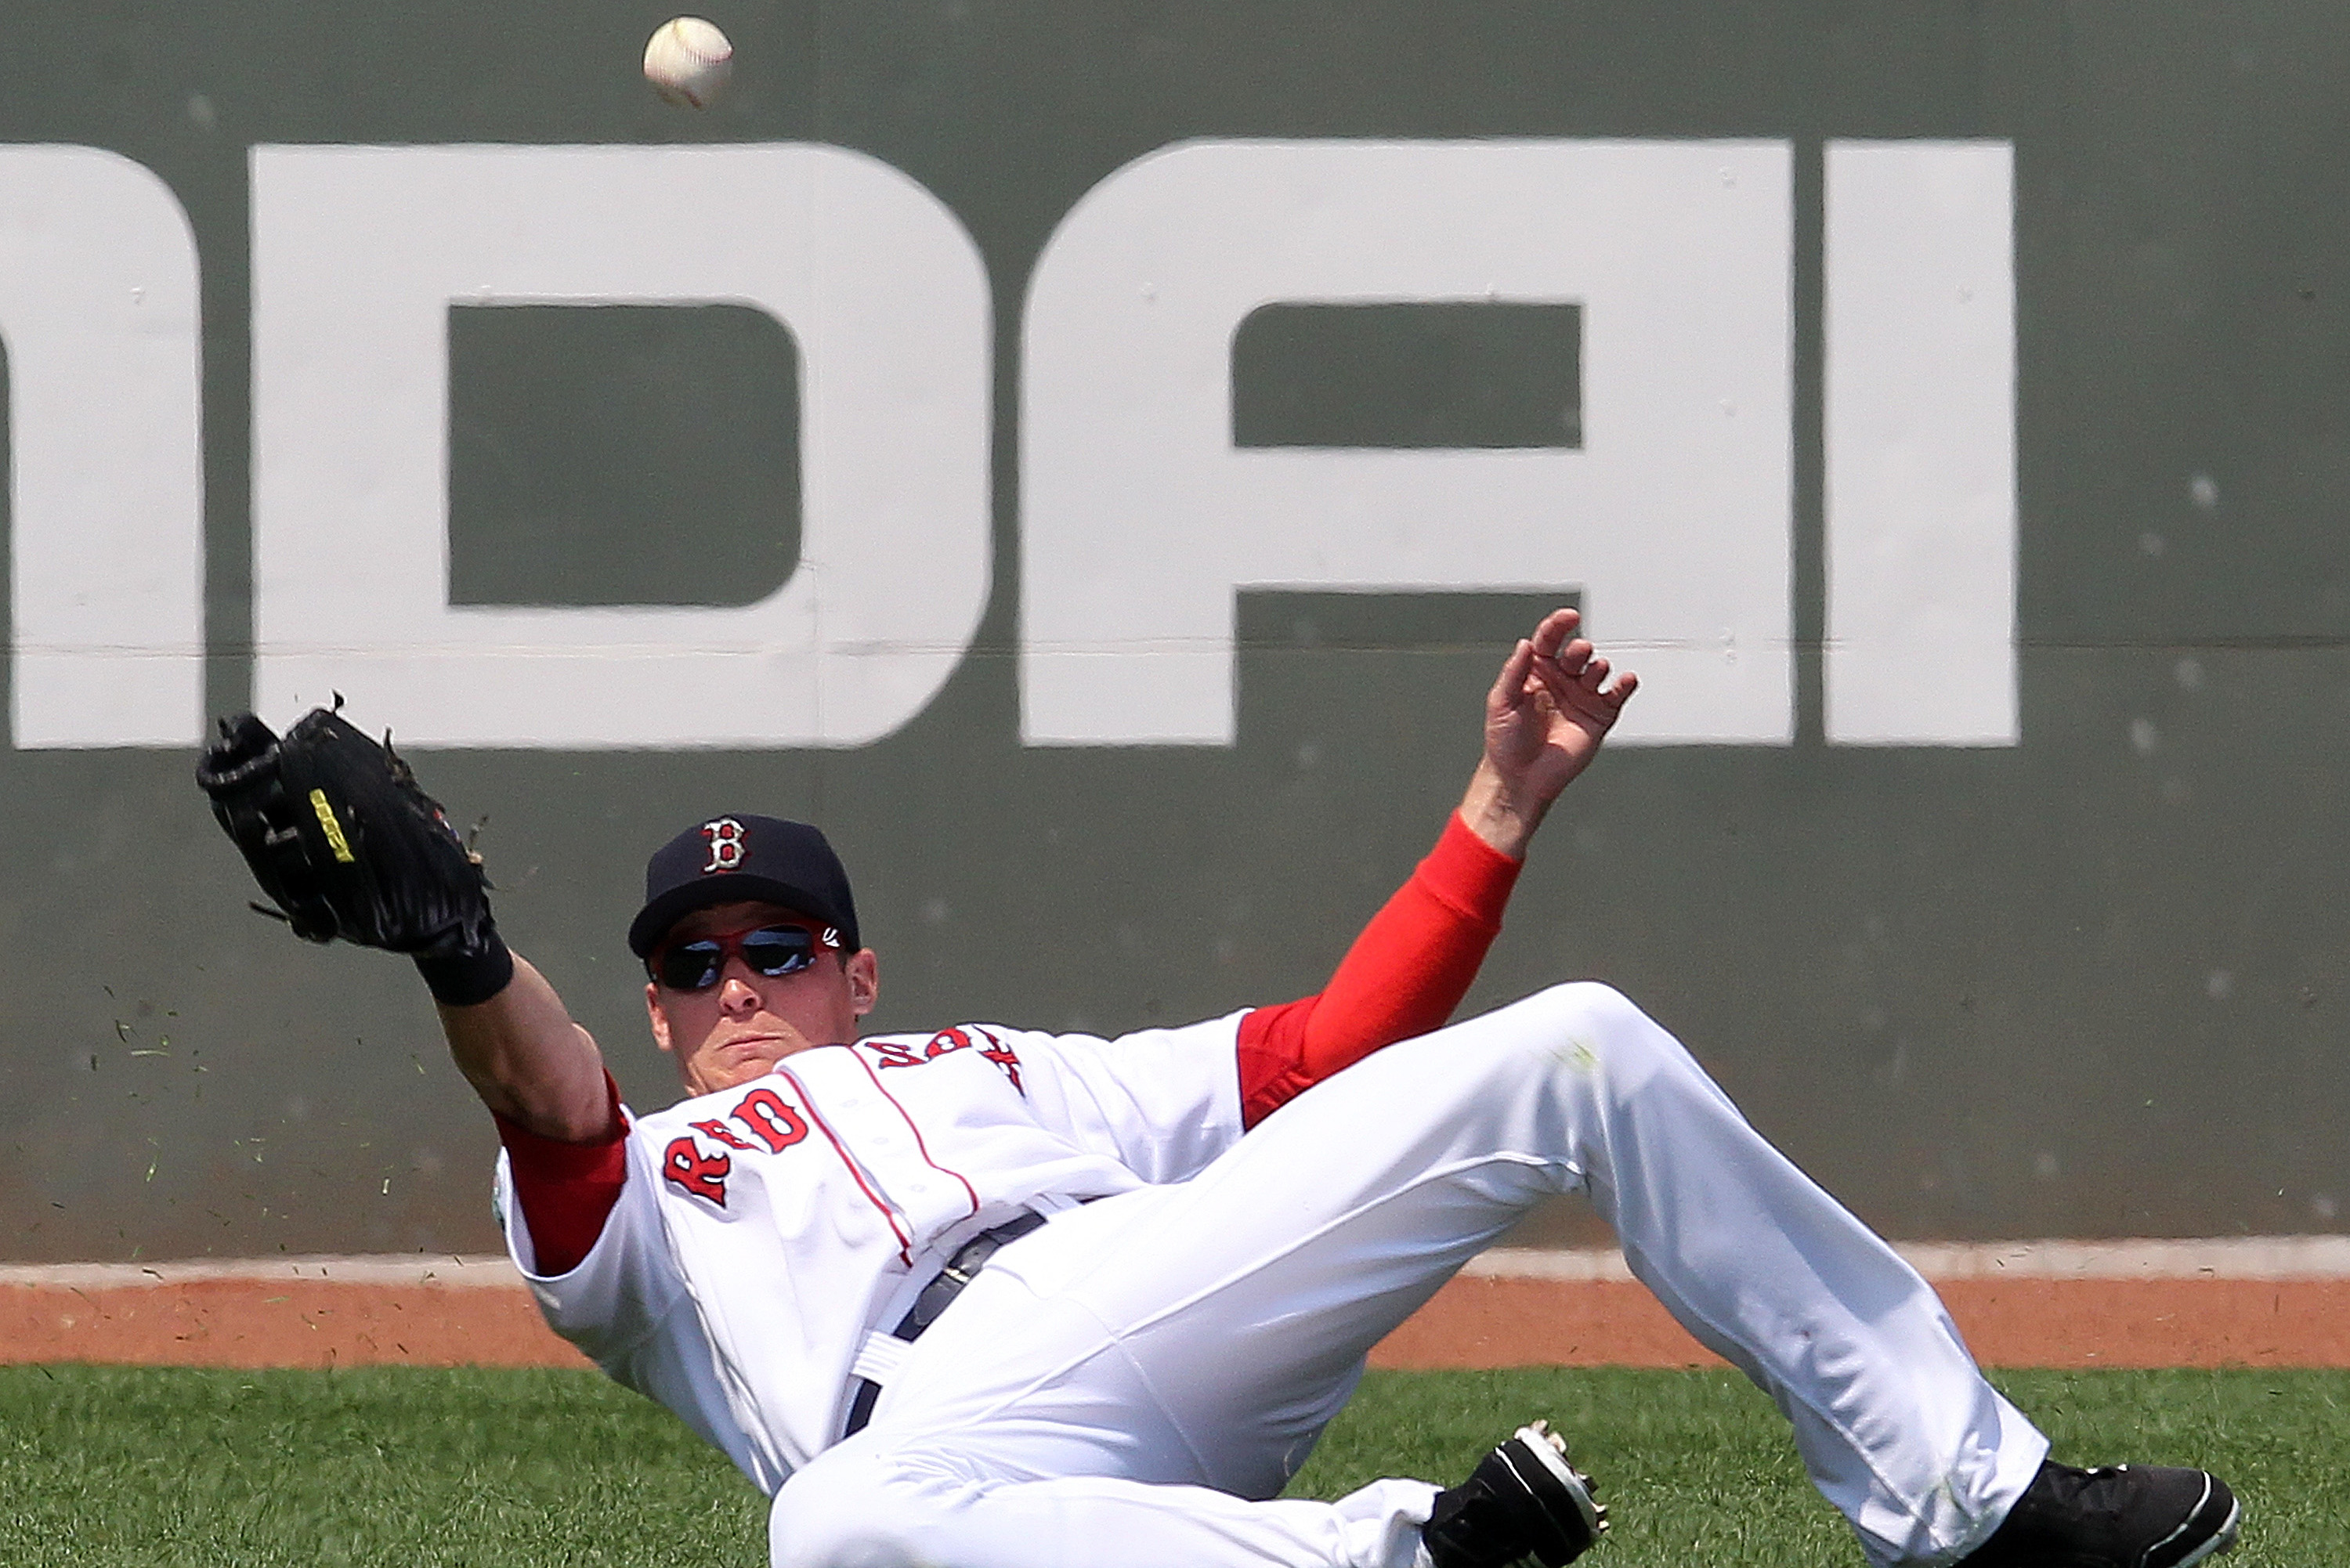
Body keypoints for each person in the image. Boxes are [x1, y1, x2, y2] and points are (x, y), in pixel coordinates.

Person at [205, 609, 2240, 1568]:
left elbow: (1325, 1052)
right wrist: (460, 941)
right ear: (648, 1001)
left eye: (776, 941)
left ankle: (1978, 1509)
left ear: (855, 964)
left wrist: (1496, 803)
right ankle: (1409, 1559)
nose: (736, 976)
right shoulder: (638, 1181)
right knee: (832, 1529)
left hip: (1146, 1281)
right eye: (691, 959)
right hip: (956, 1452)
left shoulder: (1020, 1068)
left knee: (1586, 1041)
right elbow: (540, 1102)